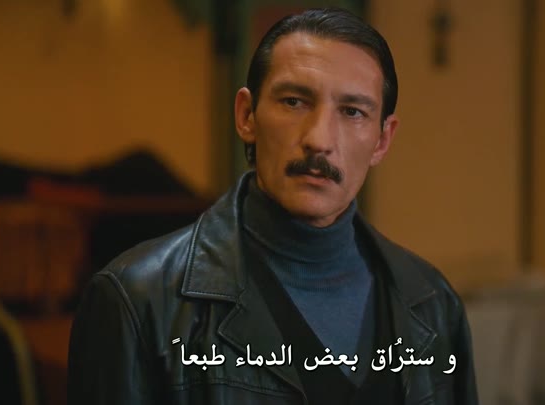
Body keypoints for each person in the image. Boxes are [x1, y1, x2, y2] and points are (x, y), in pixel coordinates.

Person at [67, 8, 478, 405]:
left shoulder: (432, 302)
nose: (319, 139)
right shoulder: (138, 300)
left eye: (352, 112)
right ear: (247, 115)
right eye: (294, 102)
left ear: (382, 140)